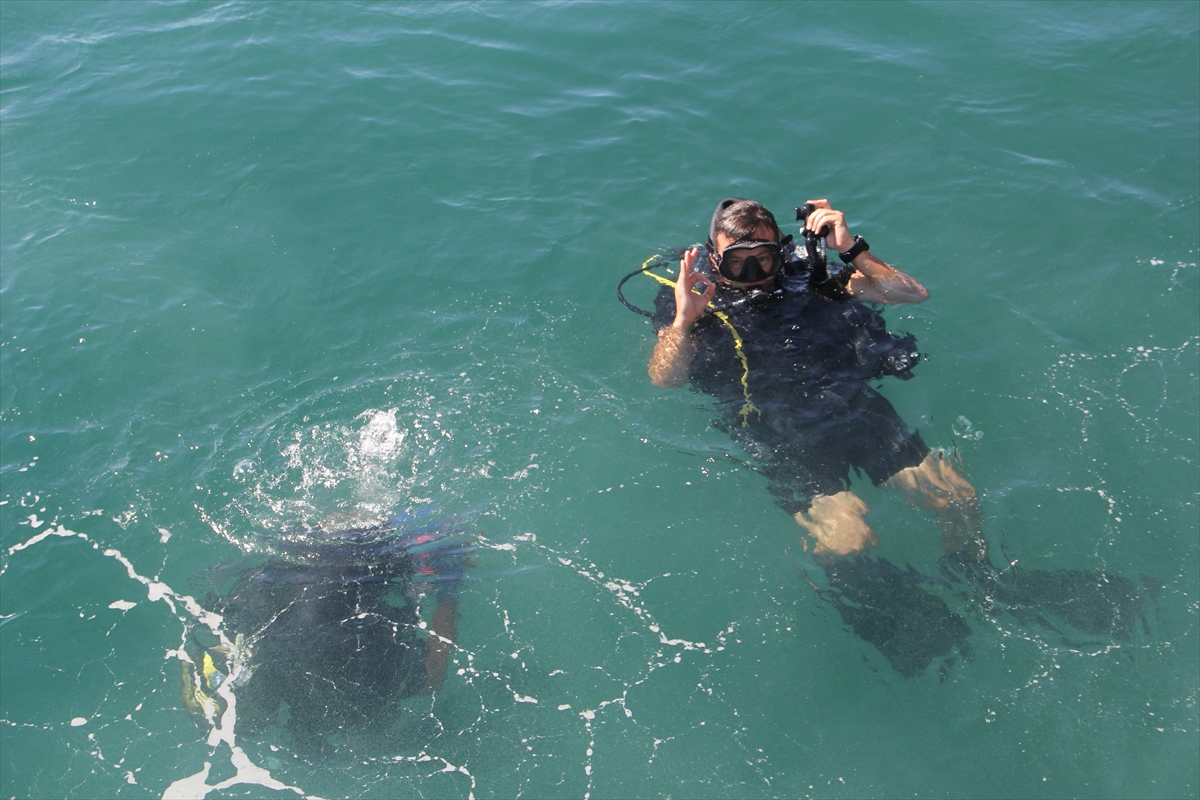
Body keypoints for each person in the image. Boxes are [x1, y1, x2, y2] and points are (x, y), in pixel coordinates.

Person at [648, 197, 985, 563]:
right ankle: (876, 611)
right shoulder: (694, 296)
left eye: (763, 258)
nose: (753, 273)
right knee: (849, 539)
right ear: (715, 259)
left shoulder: (809, 275)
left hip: (851, 404)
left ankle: (978, 578)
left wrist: (851, 249)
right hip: (776, 430)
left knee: (956, 497)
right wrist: (683, 322)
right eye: (737, 261)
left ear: (780, 250)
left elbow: (913, 294)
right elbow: (664, 378)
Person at [184, 510, 471, 752]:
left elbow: (432, 675)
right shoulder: (250, 624)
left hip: (360, 553)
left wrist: (449, 592)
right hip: (299, 551)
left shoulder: (351, 671)